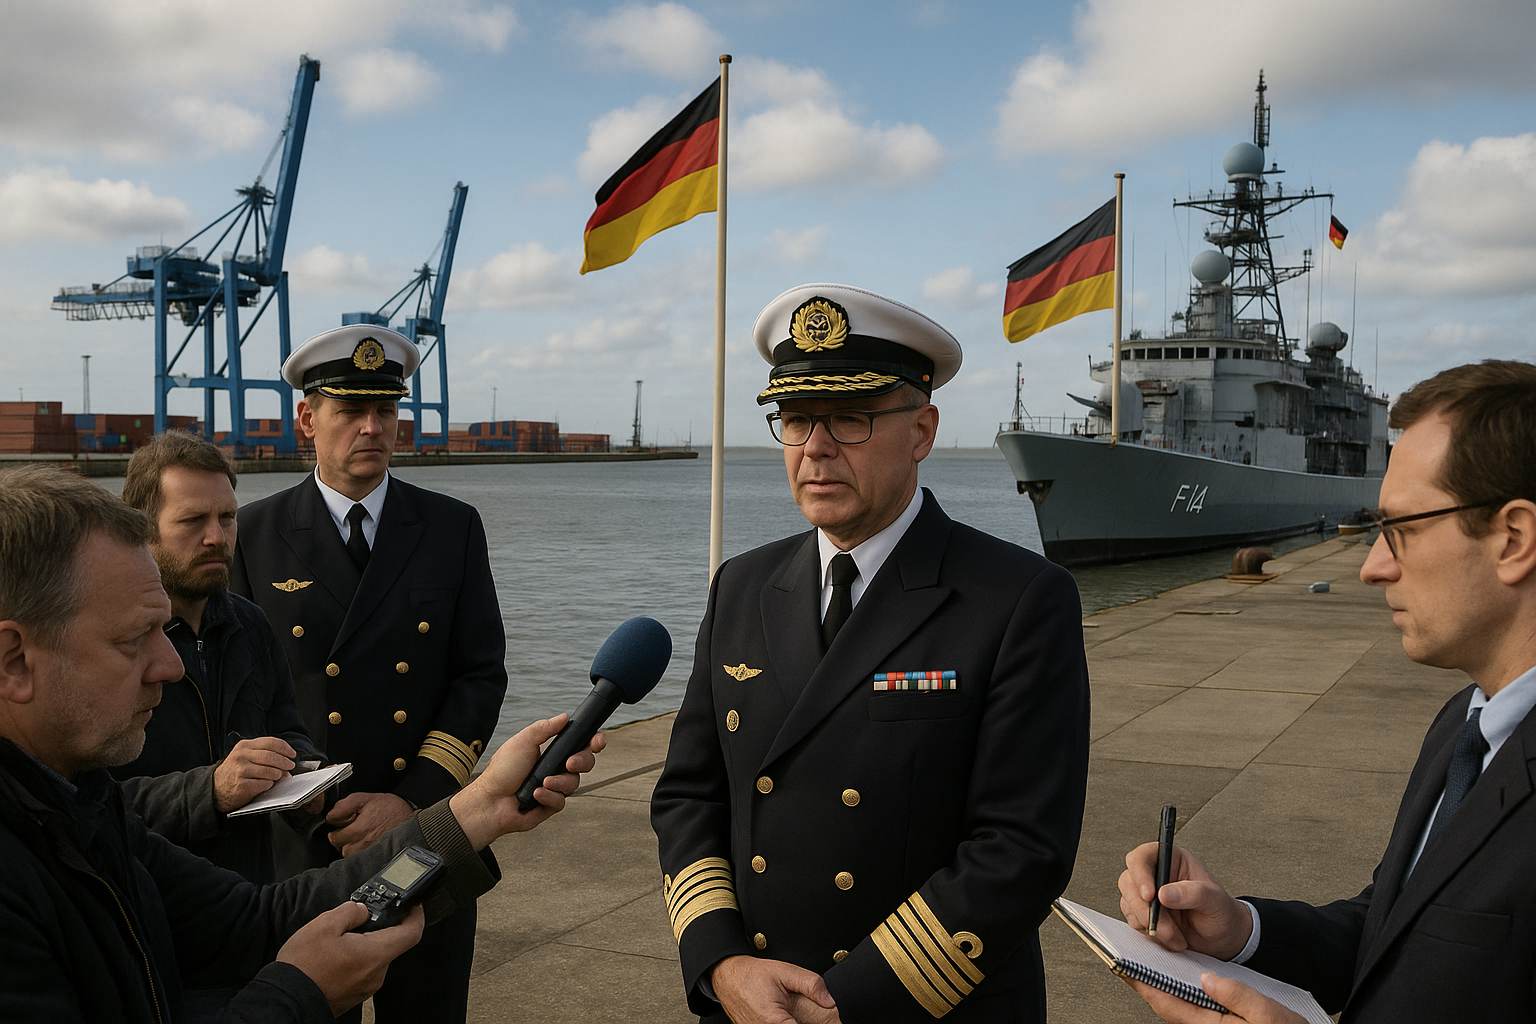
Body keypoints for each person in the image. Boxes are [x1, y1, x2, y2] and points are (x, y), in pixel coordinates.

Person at [0, 465, 600, 1023]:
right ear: (15, 662)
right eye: (134, 639)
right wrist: (298, 995)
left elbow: (262, 921)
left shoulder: (83, 810)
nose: (170, 664)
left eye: (164, 630)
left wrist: (480, 809)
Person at [651, 283, 1091, 1023]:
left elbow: (1020, 848)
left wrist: (838, 1008)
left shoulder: (1018, 598)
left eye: (849, 419)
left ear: (922, 430)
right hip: (752, 1001)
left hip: (916, 1006)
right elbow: (689, 795)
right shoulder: (743, 585)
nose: (814, 448)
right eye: (793, 419)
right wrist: (720, 961)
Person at [1117, 360, 1536, 1024]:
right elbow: (1393, 930)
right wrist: (1240, 930)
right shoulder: (1466, 721)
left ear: (1513, 538)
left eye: (1402, 528)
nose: (1372, 566)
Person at [230, 324, 507, 1023]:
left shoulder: (451, 527)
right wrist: (320, 799)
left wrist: (408, 801)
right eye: (350, 410)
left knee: (428, 1008)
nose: (372, 427)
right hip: (305, 843)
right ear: (307, 419)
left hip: (423, 830)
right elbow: (241, 691)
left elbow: (479, 676)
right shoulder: (254, 535)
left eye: (385, 411)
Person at [113, 429, 323, 886]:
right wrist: (210, 791)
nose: (216, 537)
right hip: (150, 907)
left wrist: (306, 781)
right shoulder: (109, 640)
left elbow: (286, 726)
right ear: (141, 527)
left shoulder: (250, 624)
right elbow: (88, 799)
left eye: (227, 517)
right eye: (192, 521)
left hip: (247, 895)